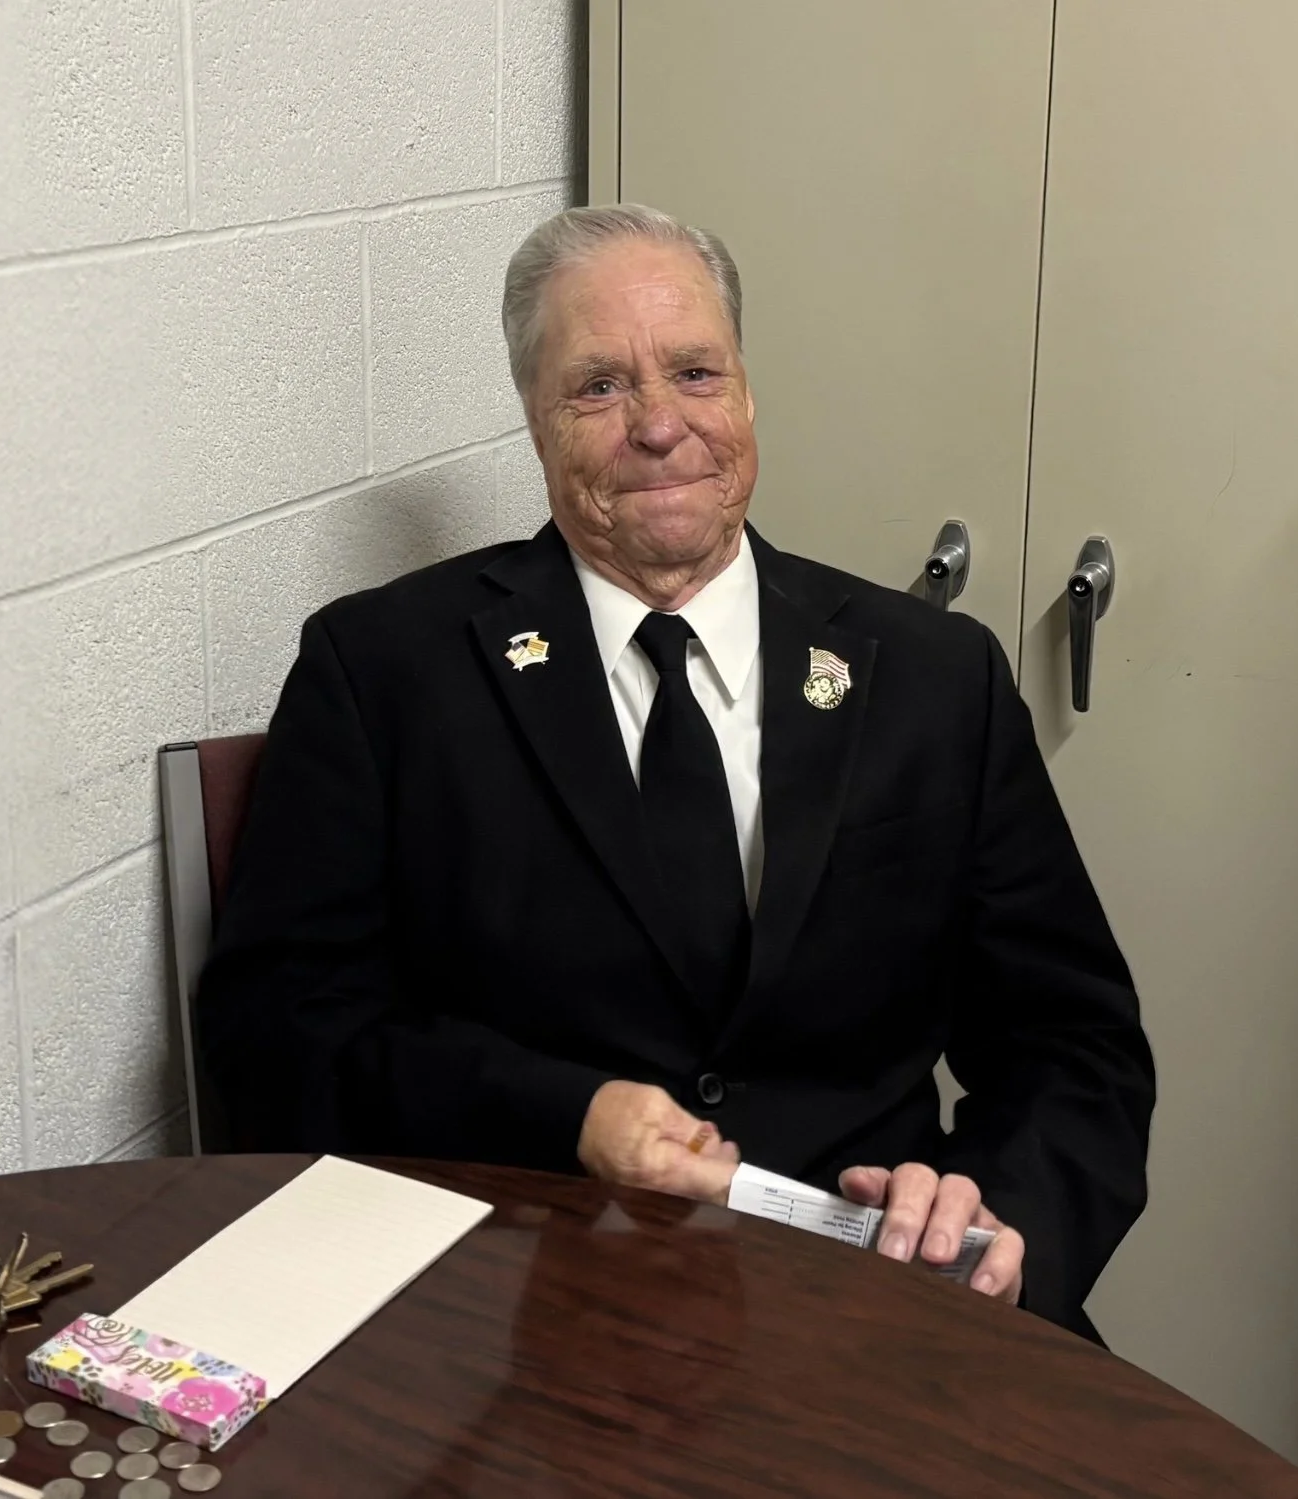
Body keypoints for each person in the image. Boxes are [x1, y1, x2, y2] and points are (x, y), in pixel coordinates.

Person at [199, 204, 1154, 1341]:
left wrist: (994, 1208)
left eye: (695, 372)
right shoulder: (384, 669)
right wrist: (571, 1113)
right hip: (515, 1314)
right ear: (535, 419)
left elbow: (1073, 1043)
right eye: (599, 385)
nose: (660, 425)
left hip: (869, 1307)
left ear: (747, 394)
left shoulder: (933, 675)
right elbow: (276, 1034)